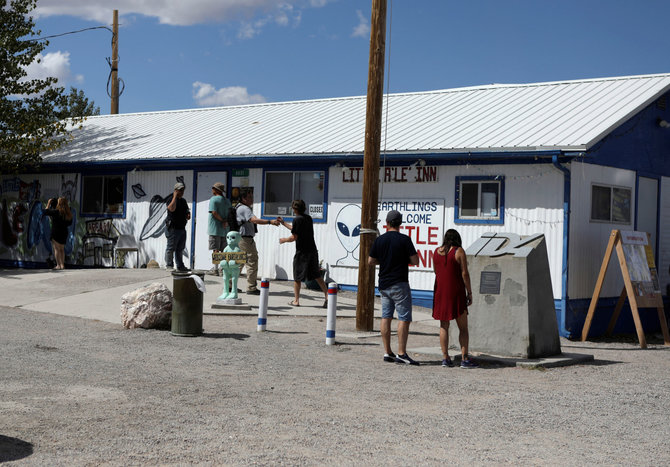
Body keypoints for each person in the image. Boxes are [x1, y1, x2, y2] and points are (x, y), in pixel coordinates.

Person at [368, 210, 420, 365]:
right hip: (399, 282)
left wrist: (383, 261)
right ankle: (401, 353)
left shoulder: (380, 240)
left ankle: (387, 352)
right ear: (400, 223)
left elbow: (370, 261)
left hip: (384, 283)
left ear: (387, 223)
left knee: (386, 317)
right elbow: (415, 260)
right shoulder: (404, 239)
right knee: (403, 318)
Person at [432, 229, 478, 369]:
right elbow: (465, 273)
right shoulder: (459, 251)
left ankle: (445, 357)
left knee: (444, 325)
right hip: (456, 292)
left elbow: (436, 271)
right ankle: (464, 359)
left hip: (440, 291)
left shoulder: (436, 252)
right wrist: (469, 293)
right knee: (463, 328)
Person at [278, 199, 328, 308]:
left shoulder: (297, 219)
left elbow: (294, 237)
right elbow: (296, 230)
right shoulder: (308, 218)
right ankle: (327, 296)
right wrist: (284, 223)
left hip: (302, 253)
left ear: (295, 209)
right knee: (317, 275)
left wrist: (284, 240)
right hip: (312, 251)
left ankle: (296, 300)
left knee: (297, 277)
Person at [236, 187, 280, 295]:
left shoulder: (239, 207)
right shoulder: (244, 209)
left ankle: (230, 286)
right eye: (249, 197)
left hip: (240, 238)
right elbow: (253, 220)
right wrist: (270, 221)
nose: (252, 199)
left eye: (252, 197)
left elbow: (252, 218)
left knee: (239, 262)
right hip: (245, 239)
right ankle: (251, 287)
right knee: (252, 261)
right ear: (243, 198)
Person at [165, 182, 191, 272]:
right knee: (171, 248)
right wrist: (175, 197)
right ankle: (169, 265)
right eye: (180, 190)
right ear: (175, 190)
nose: (182, 192)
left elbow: (187, 211)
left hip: (182, 228)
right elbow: (171, 208)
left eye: (183, 190)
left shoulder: (183, 201)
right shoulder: (170, 199)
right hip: (173, 228)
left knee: (180, 249)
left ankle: (180, 266)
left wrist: (188, 214)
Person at [207, 182, 231, 276]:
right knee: (223, 249)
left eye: (213, 188)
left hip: (215, 228)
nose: (212, 189)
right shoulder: (227, 201)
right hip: (225, 229)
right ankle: (223, 268)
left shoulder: (214, 199)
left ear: (217, 190)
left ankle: (215, 269)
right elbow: (230, 213)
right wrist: (226, 221)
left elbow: (214, 212)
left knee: (215, 249)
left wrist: (221, 220)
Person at [43, 197, 73, 270]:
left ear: (59, 204)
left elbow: (46, 211)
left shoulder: (56, 212)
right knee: (62, 249)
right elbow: (69, 223)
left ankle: (58, 265)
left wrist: (48, 203)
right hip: (64, 233)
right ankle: (62, 265)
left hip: (56, 232)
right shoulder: (68, 214)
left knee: (56, 249)